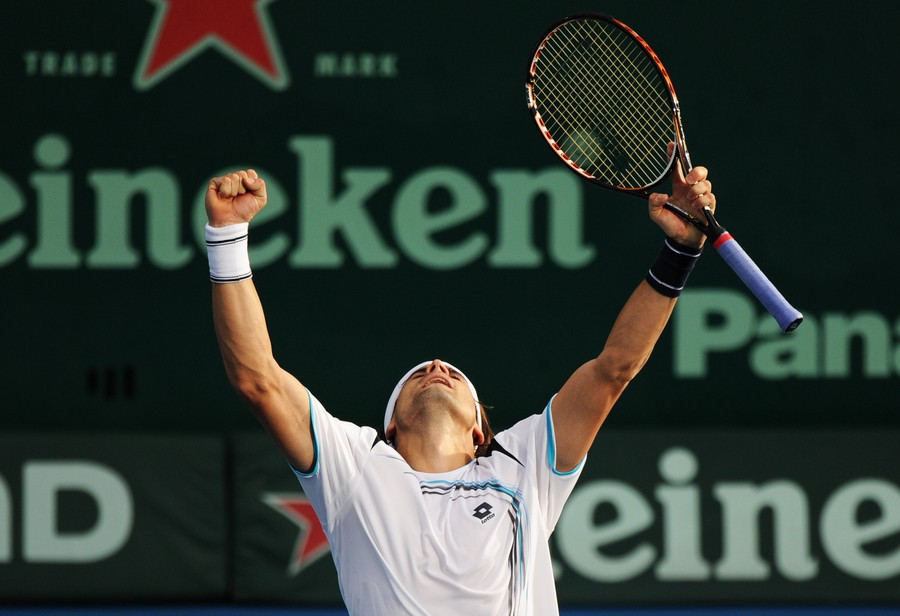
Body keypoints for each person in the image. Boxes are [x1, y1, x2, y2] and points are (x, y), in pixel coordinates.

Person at [204, 153, 715, 615]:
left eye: (453, 376)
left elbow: (614, 369)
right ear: (390, 427)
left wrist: (679, 252)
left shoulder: (523, 465)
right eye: (416, 377)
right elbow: (257, 379)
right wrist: (227, 236)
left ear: (479, 430)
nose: (436, 367)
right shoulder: (355, 467)